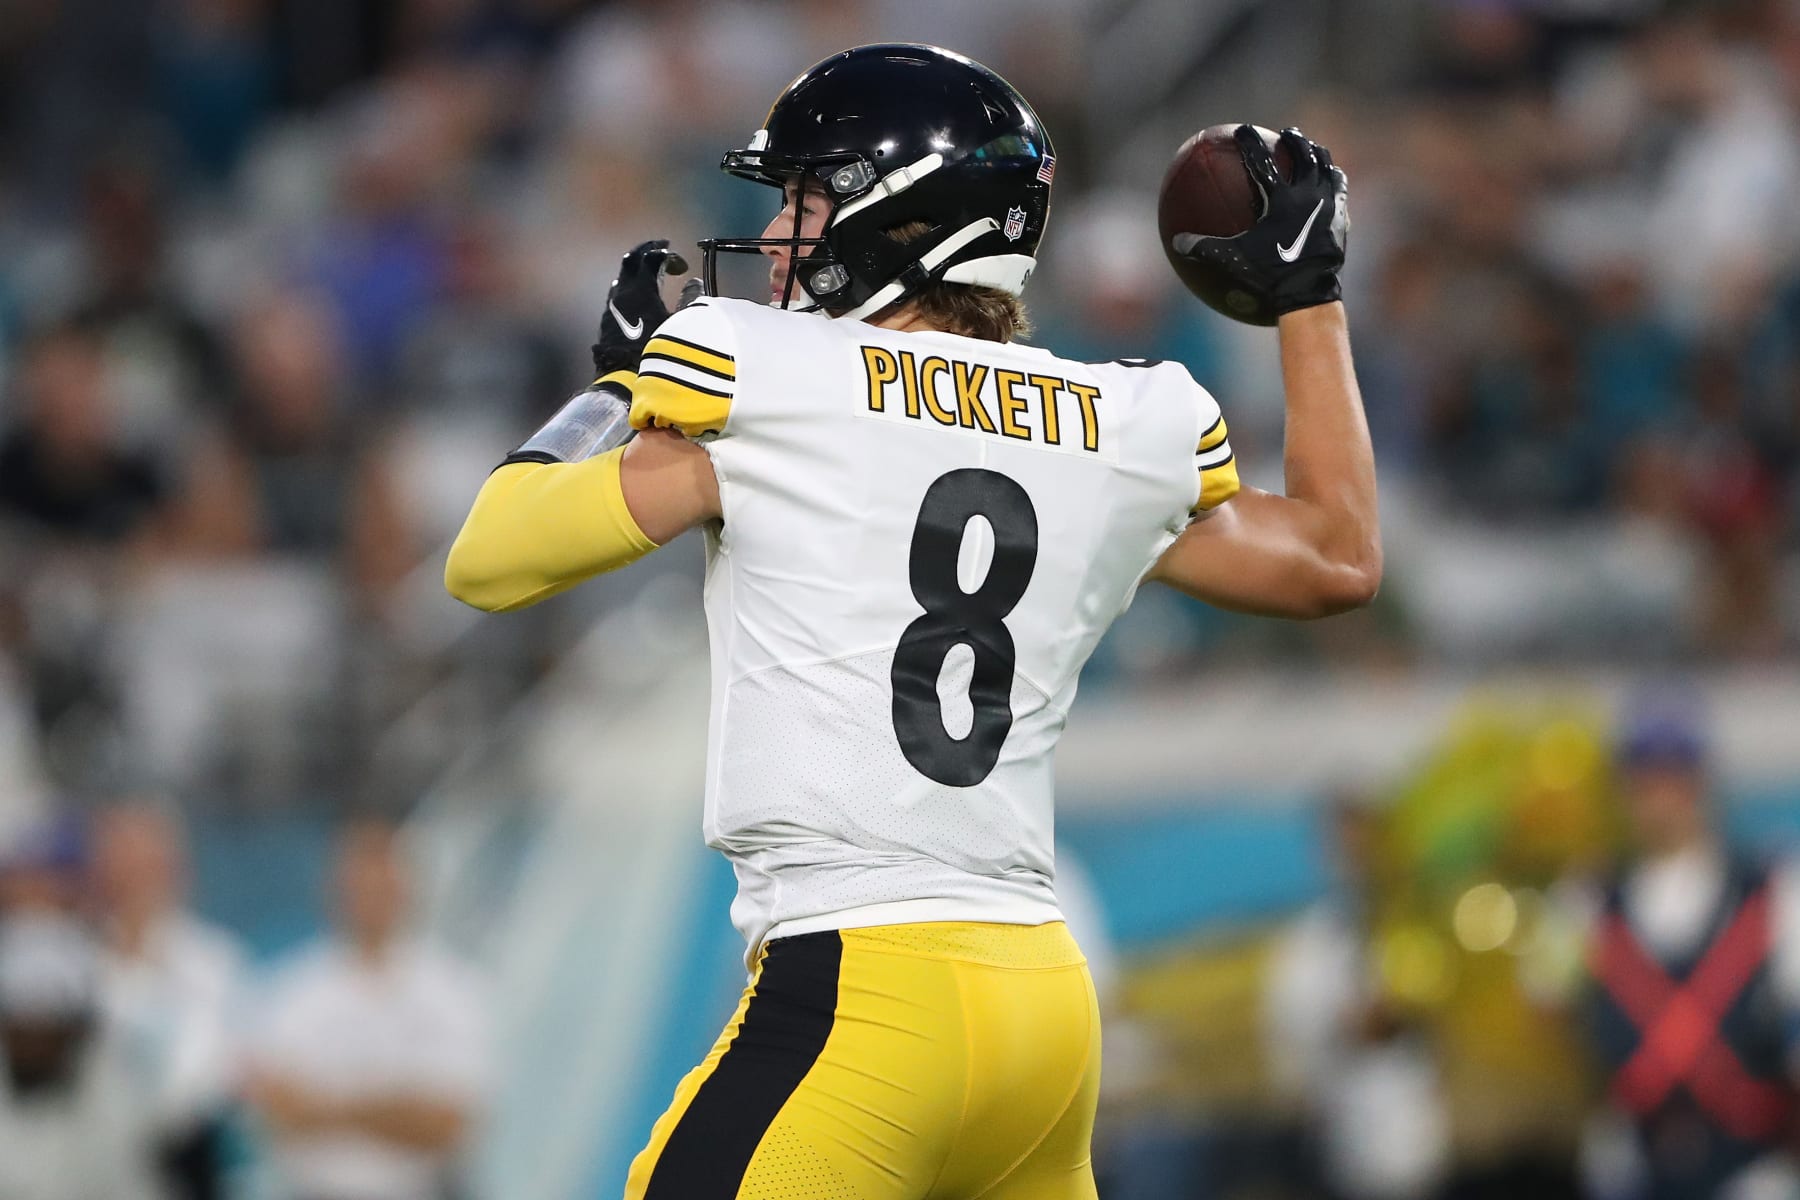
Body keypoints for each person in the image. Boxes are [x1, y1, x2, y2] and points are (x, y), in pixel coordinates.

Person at [445, 42, 1377, 1199]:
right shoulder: (1116, 421)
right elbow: (1336, 557)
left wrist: (618, 390)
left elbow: (489, 556)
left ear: (899, 220)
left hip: (865, 992)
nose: (782, 231)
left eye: (809, 197)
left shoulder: (764, 373)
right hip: (1042, 1004)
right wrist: (1308, 300)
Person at [1580, 702, 1800, 1200]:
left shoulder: (1775, 894)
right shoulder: (1586, 901)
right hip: (1635, 1163)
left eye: (1674, 776)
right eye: (1644, 778)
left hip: (1750, 1166)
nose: (1660, 796)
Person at [244, 818, 489, 1200]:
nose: (370, 893)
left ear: (406, 887)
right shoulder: (290, 990)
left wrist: (323, 1108)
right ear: (334, 887)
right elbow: (279, 1114)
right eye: (360, 878)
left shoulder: (453, 989)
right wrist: (400, 1108)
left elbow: (448, 1124)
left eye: (381, 879)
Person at [90, 800, 249, 1200]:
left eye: (150, 861)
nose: (137, 876)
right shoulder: (78, 964)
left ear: (177, 868)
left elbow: (223, 1073)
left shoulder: (217, 962)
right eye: (124, 860)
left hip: (190, 1164)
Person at [0, 911, 162, 1200]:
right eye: (22, 1027)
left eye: (49, 1027)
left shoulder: (123, 1101)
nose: (34, 1042)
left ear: (78, 1031)